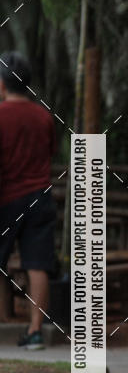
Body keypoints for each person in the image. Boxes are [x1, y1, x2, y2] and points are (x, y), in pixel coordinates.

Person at [0, 51, 56, 350]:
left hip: (6, 197)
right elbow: (49, 152)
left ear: (2, 85)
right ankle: (35, 331)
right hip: (39, 197)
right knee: (38, 265)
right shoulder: (44, 116)